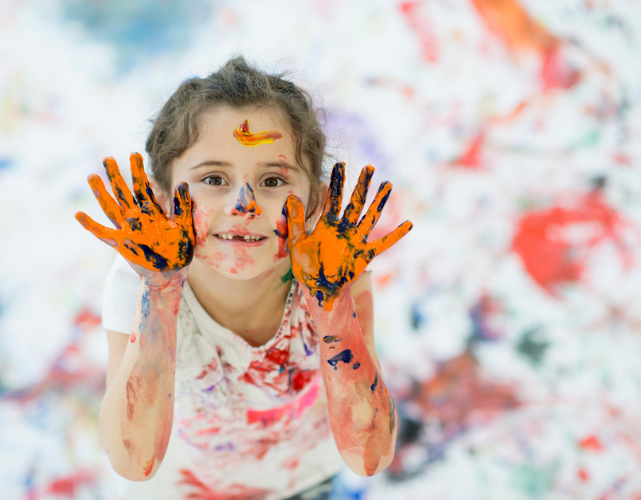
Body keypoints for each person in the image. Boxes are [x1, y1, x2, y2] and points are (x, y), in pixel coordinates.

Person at [75, 56, 413, 500]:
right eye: (214, 178)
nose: (244, 204)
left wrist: (329, 303)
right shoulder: (137, 283)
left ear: (316, 203)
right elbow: (135, 460)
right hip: (188, 489)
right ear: (158, 201)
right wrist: (161, 288)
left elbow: (369, 455)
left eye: (273, 179)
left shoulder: (334, 276)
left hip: (306, 478)